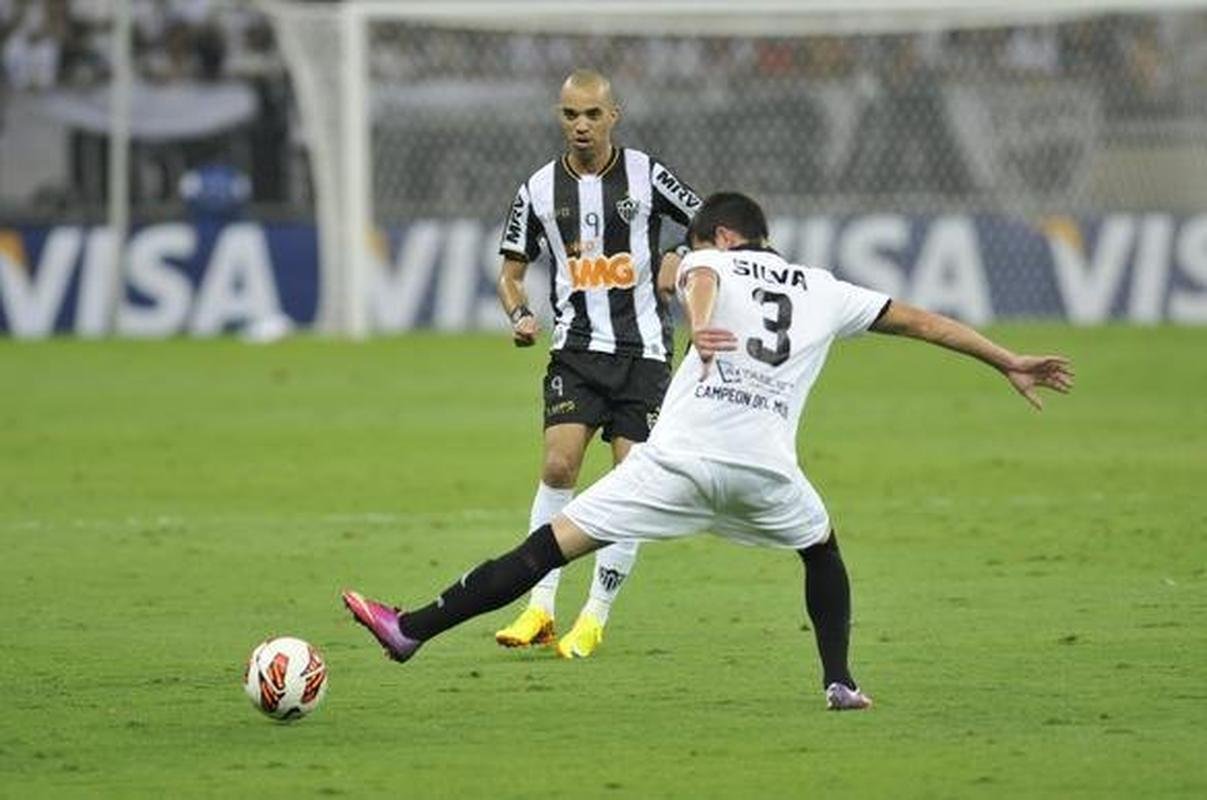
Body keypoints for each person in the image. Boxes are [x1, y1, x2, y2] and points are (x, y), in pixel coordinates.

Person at [342, 191, 1073, 709]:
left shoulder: (710, 264)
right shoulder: (822, 288)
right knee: (821, 549)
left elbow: (688, 278)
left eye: (694, 242)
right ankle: (839, 682)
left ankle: (410, 630)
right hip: (766, 475)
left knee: (545, 549)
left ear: (721, 235)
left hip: (676, 464)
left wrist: (698, 323)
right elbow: (920, 321)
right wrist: (1004, 358)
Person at [491, 68, 700, 658]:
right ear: (560, 117)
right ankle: (540, 606)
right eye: (569, 115)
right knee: (559, 467)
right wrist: (519, 314)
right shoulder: (536, 188)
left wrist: (678, 255)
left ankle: (596, 614)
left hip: (646, 354)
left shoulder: (646, 174)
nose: (580, 125)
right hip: (577, 350)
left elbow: (711, 224)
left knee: (632, 485)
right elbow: (510, 272)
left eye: (591, 114)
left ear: (614, 116)